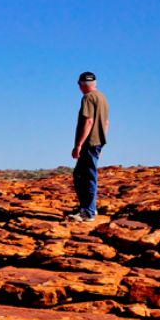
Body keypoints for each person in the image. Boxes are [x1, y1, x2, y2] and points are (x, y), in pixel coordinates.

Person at [68, 71, 109, 222]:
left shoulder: (88, 97)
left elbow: (89, 121)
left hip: (89, 143)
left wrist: (78, 145)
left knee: (87, 177)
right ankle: (86, 207)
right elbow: (106, 123)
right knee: (79, 175)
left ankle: (88, 212)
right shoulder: (102, 98)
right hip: (96, 143)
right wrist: (101, 143)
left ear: (81, 84)